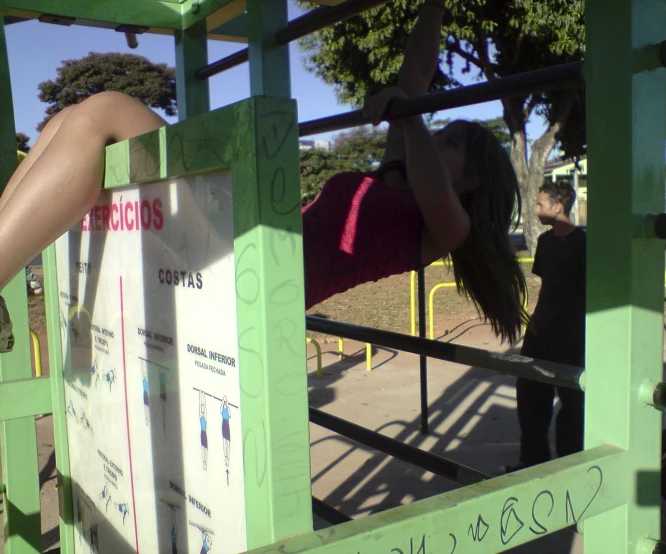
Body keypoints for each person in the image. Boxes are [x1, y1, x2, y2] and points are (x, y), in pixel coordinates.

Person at [0, 0, 527, 354]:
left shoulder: (444, 230)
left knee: (106, 110)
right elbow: (416, 75)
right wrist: (434, 5)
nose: (438, 138)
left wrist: (411, 115)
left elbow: (429, 167)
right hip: (244, 243)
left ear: (475, 182)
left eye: (453, 142)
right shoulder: (397, 172)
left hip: (254, 274)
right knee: (69, 120)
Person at [505, 181, 586, 472]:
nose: (536, 209)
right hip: (541, 331)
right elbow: (546, 286)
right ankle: (532, 463)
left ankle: (569, 467)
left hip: (571, 335)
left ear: (557, 207)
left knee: (573, 404)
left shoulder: (583, 244)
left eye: (540, 205)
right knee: (530, 396)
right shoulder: (546, 242)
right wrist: (534, 320)